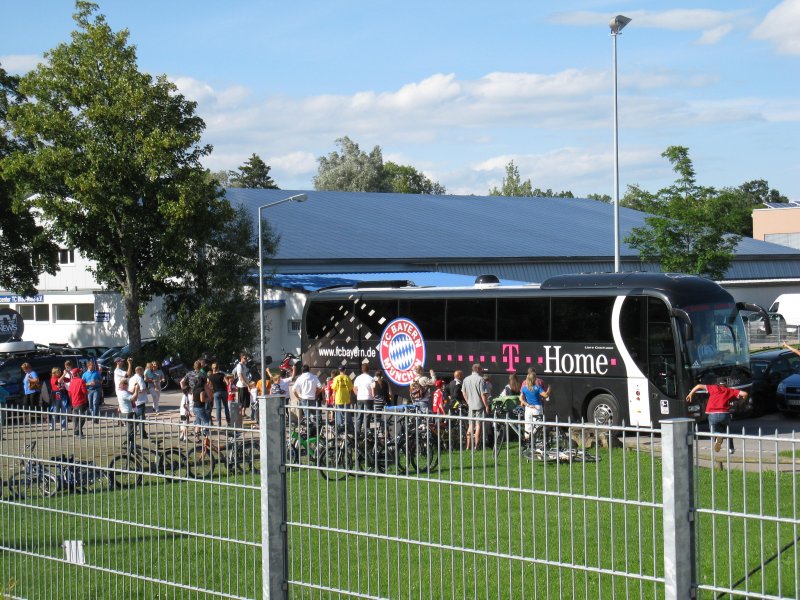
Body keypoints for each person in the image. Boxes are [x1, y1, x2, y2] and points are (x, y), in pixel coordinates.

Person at [686, 381, 748, 454]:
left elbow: (699, 385)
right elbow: (745, 394)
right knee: (728, 430)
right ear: (726, 385)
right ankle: (731, 449)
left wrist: (690, 394)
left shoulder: (713, 388)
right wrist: (741, 401)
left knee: (713, 431)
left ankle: (717, 436)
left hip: (712, 414)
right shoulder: (729, 390)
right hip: (724, 414)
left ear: (717, 384)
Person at [462, 364, 489, 450]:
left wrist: (468, 401)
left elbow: (463, 392)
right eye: (481, 369)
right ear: (478, 369)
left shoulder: (466, 379)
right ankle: (476, 446)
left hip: (471, 405)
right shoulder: (481, 379)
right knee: (478, 425)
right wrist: (486, 405)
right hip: (479, 405)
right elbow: (483, 394)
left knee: (470, 426)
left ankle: (467, 446)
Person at [519, 370, 551, 440]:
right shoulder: (537, 387)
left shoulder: (524, 388)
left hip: (528, 408)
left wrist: (527, 404)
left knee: (527, 426)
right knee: (538, 426)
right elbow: (545, 395)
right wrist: (549, 389)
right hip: (537, 408)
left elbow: (521, 399)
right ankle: (536, 441)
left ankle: (528, 442)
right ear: (534, 379)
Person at [352, 363, 375, 436]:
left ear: (362, 369)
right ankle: (366, 432)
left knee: (359, 415)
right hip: (368, 398)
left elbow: (354, 389)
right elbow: (373, 390)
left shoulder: (358, 378)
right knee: (367, 415)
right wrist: (372, 396)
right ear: (368, 369)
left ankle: (357, 432)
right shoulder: (371, 378)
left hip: (360, 398)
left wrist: (358, 394)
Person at [129, 365, 149, 439]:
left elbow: (130, 389)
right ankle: (140, 433)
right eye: (143, 371)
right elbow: (142, 389)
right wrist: (147, 390)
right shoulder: (139, 378)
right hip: (140, 400)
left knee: (137, 417)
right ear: (140, 371)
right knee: (141, 418)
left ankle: (141, 433)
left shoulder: (131, 379)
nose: (143, 373)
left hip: (134, 401)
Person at [208, 362, 231, 427]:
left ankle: (219, 423)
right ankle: (228, 421)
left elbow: (208, 385)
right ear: (218, 368)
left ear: (212, 368)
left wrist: (212, 389)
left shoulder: (210, 376)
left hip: (216, 392)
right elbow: (227, 383)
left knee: (218, 408)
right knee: (226, 406)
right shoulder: (222, 374)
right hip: (224, 391)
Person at [68, 367, 89, 438]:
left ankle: (78, 433)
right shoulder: (81, 381)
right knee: (82, 417)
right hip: (81, 401)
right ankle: (77, 431)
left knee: (76, 418)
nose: (80, 373)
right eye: (79, 372)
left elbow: (69, 392)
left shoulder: (71, 381)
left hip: (74, 402)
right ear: (77, 373)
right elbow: (84, 392)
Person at [116, 378, 136, 446]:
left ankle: (129, 440)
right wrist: (137, 390)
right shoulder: (124, 393)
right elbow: (133, 398)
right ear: (123, 385)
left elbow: (130, 392)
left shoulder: (121, 391)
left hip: (124, 412)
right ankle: (129, 442)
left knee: (131, 427)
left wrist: (135, 388)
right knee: (131, 429)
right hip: (127, 412)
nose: (127, 385)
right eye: (126, 384)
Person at [49, 367, 68, 431]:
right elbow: (58, 381)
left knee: (63, 410)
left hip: (63, 394)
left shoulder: (62, 377)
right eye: (58, 371)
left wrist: (69, 373)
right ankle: (52, 426)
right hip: (56, 394)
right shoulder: (53, 378)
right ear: (54, 373)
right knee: (55, 410)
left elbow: (69, 379)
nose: (60, 372)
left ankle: (63, 426)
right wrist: (64, 374)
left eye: (60, 371)